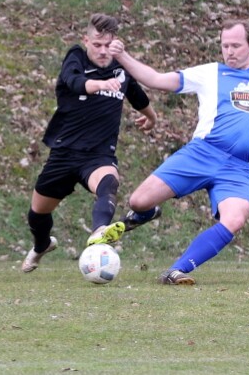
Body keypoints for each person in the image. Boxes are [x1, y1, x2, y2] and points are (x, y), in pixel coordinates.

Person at [109, 18, 249, 285]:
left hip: (239, 168)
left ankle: (176, 271)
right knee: (138, 201)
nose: (229, 51)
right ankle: (146, 214)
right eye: (225, 46)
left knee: (235, 218)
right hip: (201, 154)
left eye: (236, 45)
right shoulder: (211, 73)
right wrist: (123, 56)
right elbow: (156, 80)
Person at [22, 14, 158, 273]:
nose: (103, 51)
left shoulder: (120, 68)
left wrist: (151, 117)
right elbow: (74, 81)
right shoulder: (76, 57)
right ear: (86, 41)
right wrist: (100, 84)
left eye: (108, 45)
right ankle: (42, 245)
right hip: (64, 153)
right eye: (97, 44)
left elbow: (137, 95)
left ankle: (99, 232)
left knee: (108, 185)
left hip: (98, 155)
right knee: (38, 214)